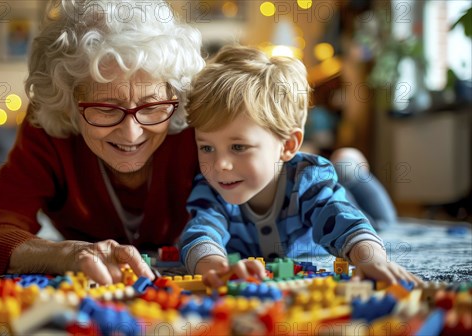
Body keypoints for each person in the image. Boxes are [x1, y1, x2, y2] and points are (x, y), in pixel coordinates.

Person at [0, 0, 205, 285]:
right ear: (67, 102)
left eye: (151, 107)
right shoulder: (47, 130)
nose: (131, 133)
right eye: (106, 108)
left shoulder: (197, 124)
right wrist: (67, 253)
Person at [178, 45, 421, 288]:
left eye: (239, 147)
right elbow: (201, 233)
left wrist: (371, 259)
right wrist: (217, 268)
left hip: (351, 203)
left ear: (287, 145)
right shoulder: (211, 189)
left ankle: (351, 171)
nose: (220, 164)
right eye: (207, 148)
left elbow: (344, 220)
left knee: (382, 221)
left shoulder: (307, 178)